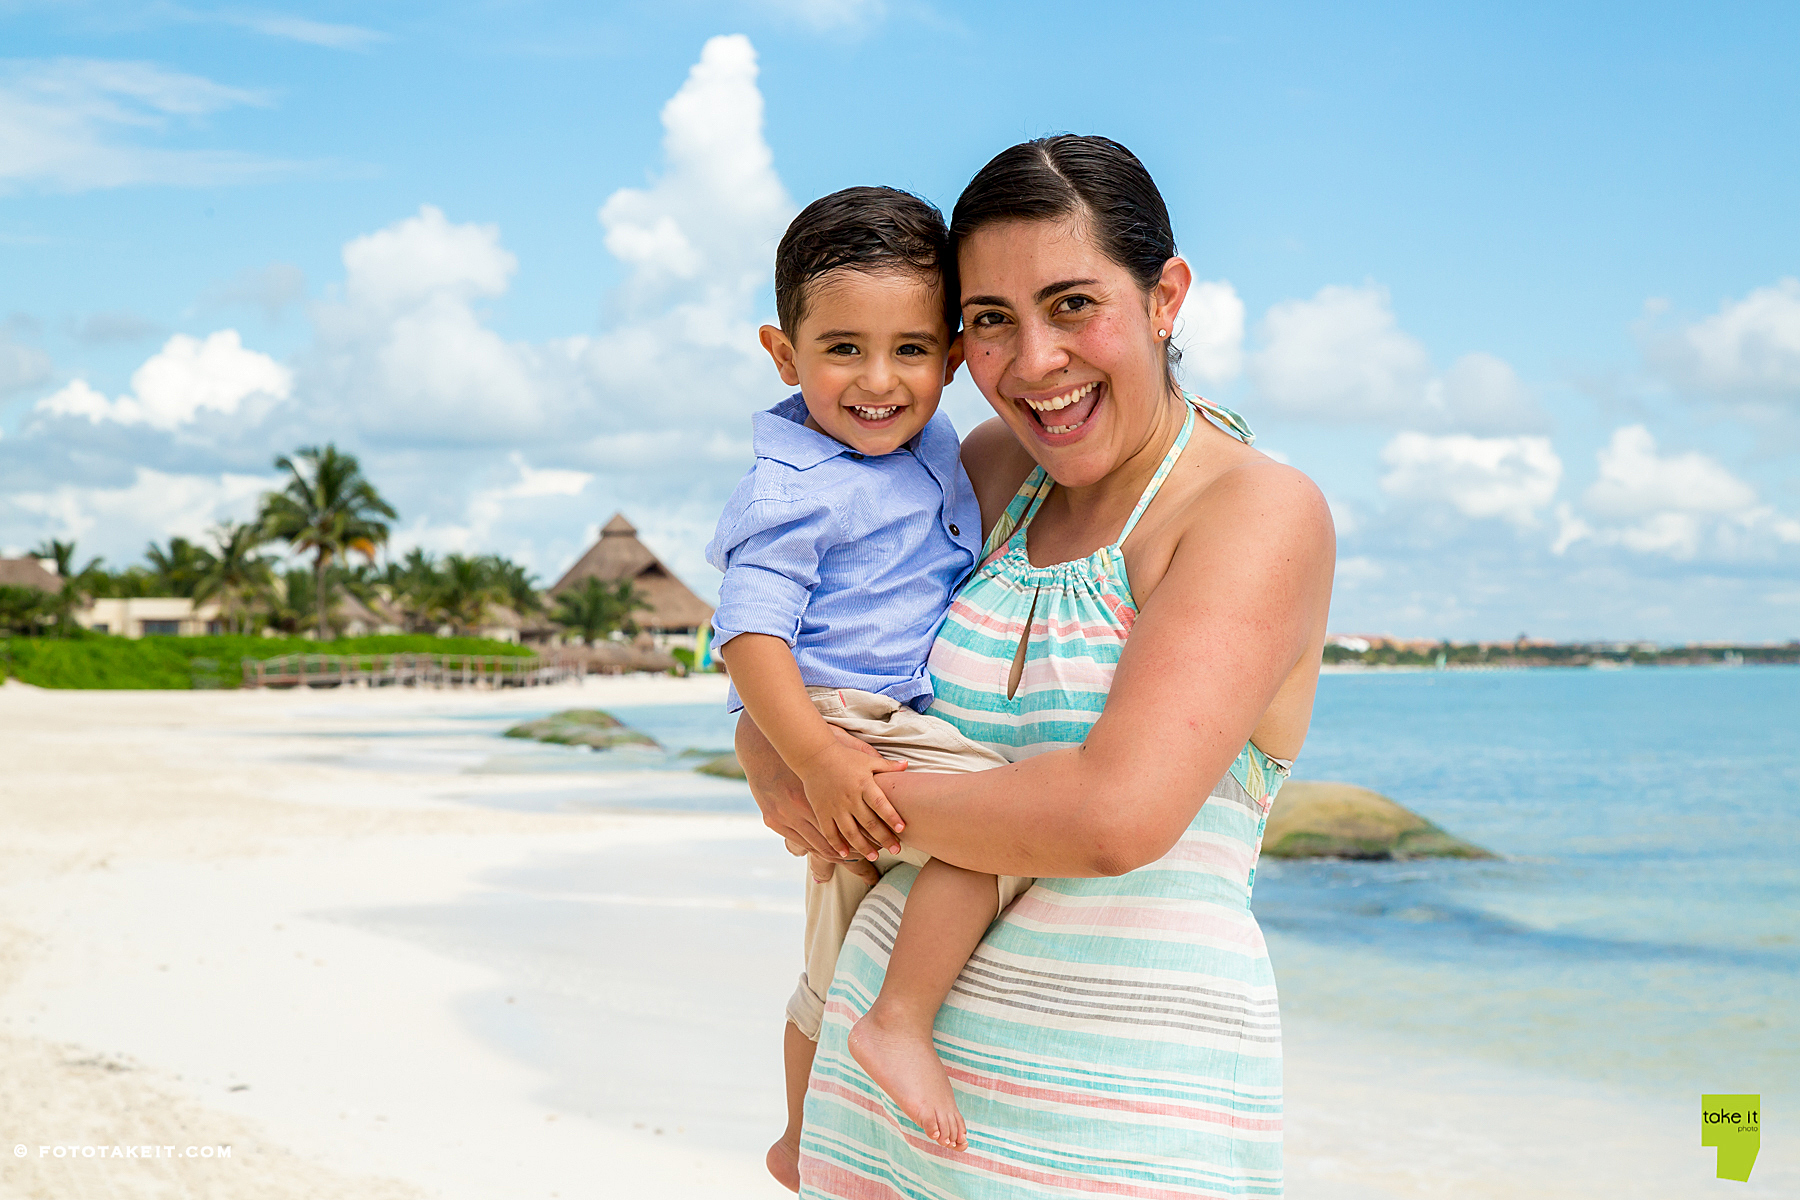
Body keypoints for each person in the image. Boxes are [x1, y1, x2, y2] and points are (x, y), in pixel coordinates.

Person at [737, 135, 1336, 1197]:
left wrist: (843, 790)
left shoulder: (1253, 512)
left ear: (1166, 297)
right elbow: (840, 650)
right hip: (882, 1112)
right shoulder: (987, 472)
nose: (1034, 363)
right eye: (991, 321)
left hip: (1113, 1132)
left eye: (1072, 304)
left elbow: (1112, 818)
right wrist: (769, 744)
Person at [706, 186, 1036, 1191]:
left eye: (912, 349)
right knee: (1009, 825)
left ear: (950, 353)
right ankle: (899, 1019)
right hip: (844, 721)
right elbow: (748, 631)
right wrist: (809, 753)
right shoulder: (794, 485)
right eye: (843, 349)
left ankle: (800, 1135)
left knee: (828, 946)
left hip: (869, 722)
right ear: (781, 353)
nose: (881, 381)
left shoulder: (931, 442)